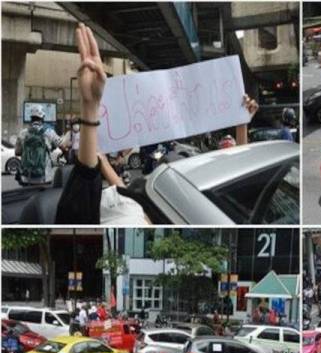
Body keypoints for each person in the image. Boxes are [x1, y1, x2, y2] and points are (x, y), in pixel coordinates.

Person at [55, 24, 258, 225]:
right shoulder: (145, 208)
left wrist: (91, 111)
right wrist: (241, 123)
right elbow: (243, 186)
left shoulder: (149, 213)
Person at [15, 105, 65, 185]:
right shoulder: (49, 132)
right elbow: (63, 146)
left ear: (31, 118)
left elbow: (17, 152)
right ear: (42, 117)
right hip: (45, 177)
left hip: (27, 177)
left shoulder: (23, 133)